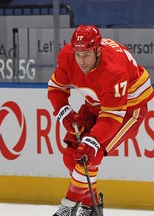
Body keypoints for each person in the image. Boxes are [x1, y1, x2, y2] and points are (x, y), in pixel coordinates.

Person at [47, 25, 154, 216]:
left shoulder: (114, 70)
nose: (81, 61)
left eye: (87, 55)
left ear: (98, 50)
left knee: (90, 155)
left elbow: (113, 117)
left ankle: (68, 206)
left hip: (129, 107)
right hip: (97, 104)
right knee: (70, 155)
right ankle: (91, 206)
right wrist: (63, 111)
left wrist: (93, 140)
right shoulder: (67, 56)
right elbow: (56, 88)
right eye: (78, 54)